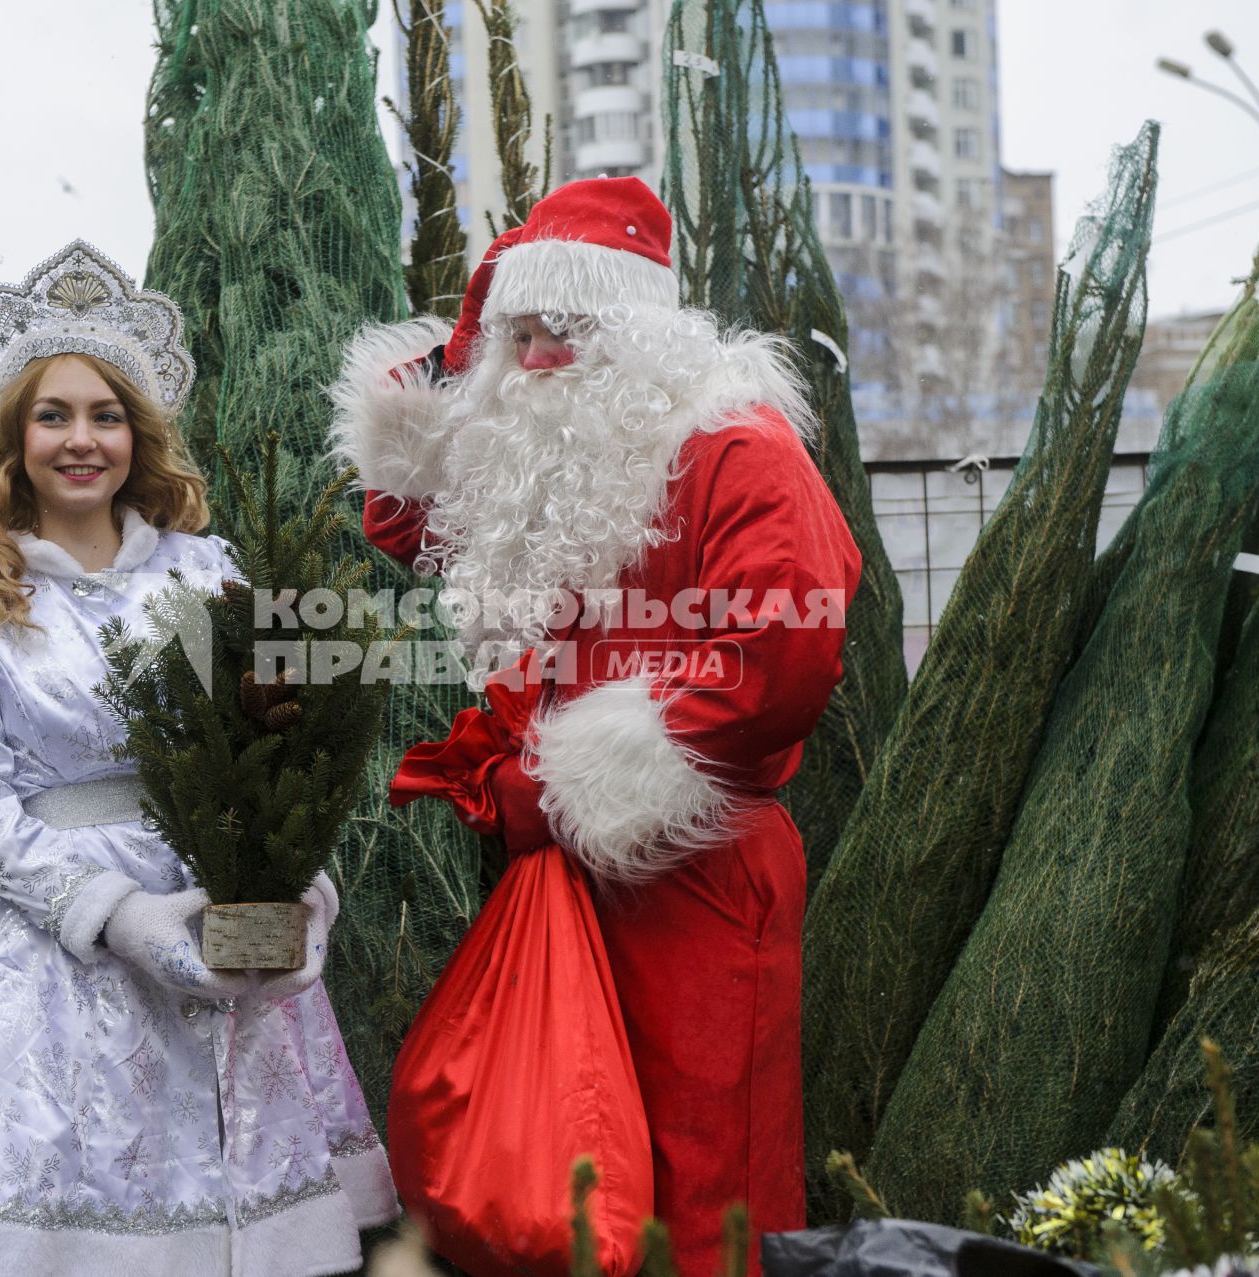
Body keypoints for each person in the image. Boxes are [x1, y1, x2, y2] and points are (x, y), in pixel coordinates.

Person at [331, 179, 861, 1273]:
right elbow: (402, 508)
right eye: (517, 333)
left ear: (643, 334)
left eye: (563, 330)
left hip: (695, 858)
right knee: (577, 1159)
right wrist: (475, 332)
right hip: (567, 861)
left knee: (704, 1161)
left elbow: (785, 646)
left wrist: (588, 779)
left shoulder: (735, 445)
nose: (532, 356)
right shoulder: (549, 456)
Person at [0, 242, 394, 1277]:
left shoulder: (211, 576)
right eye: (53, 414)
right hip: (67, 967)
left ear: (137, 434)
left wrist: (301, 887)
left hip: (225, 925)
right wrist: (119, 914)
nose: (81, 439)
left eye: (105, 414)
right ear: (13, 438)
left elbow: (277, 750)